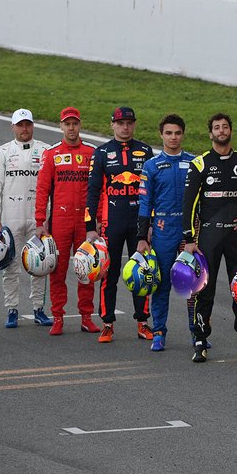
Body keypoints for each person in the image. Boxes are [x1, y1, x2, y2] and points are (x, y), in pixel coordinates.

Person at [183, 113, 237, 363]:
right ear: (210, 134)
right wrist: (190, 239)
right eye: (216, 127)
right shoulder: (200, 163)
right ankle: (200, 340)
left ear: (231, 131)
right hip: (208, 237)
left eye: (225, 127)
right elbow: (189, 204)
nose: (221, 130)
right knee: (205, 290)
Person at [84, 106, 153, 343]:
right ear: (112, 124)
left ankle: (143, 322)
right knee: (108, 274)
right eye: (121, 123)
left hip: (139, 223)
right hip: (110, 222)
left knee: (143, 272)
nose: (125, 127)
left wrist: (150, 224)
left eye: (129, 123)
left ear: (134, 125)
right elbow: (92, 192)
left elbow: (152, 191)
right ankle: (107, 323)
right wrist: (90, 227)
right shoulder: (101, 153)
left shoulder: (145, 151)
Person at [35, 107, 99, 335]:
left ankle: (86, 317)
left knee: (87, 270)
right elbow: (42, 189)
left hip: (85, 221)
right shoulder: (51, 153)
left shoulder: (92, 152)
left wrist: (98, 219)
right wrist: (40, 220)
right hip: (60, 220)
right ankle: (58, 317)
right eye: (67, 124)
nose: (71, 128)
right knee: (57, 270)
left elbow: (99, 189)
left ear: (80, 125)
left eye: (75, 123)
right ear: (61, 126)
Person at [0, 108, 51, 328]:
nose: (25, 129)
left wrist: (47, 217)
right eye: (20, 125)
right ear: (13, 127)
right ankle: (12, 309)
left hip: (38, 217)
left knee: (40, 264)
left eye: (28, 124)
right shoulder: (2, 152)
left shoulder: (46, 151)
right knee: (10, 265)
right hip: (10, 216)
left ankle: (38, 309)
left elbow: (52, 186)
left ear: (33, 125)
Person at [136, 114, 195, 351]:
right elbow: (143, 203)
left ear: (183, 135)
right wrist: (142, 237)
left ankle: (197, 332)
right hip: (162, 231)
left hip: (189, 232)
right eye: (168, 133)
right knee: (161, 285)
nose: (173, 137)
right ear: (161, 135)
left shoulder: (194, 162)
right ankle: (159, 331)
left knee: (194, 285)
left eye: (177, 133)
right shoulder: (151, 166)